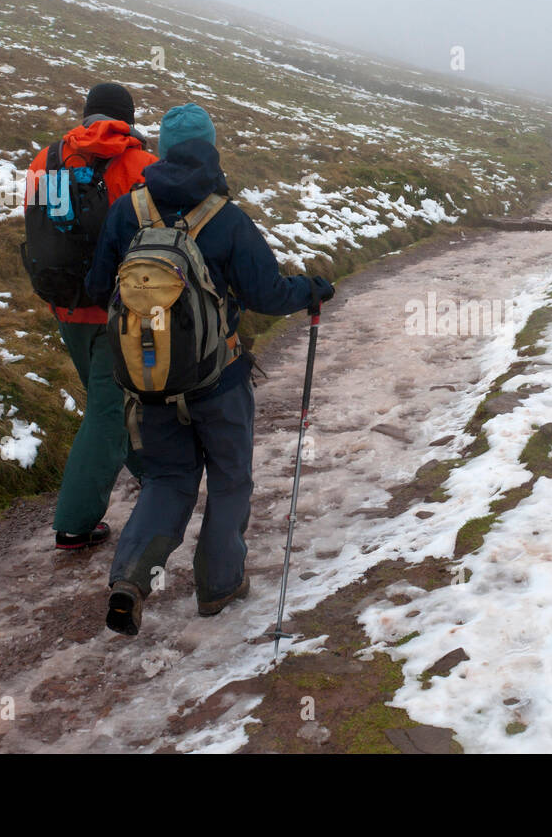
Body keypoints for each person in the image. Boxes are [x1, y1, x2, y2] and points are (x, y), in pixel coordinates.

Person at [85, 103, 335, 635]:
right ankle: (218, 587)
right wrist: (310, 288)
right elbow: (266, 293)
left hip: (148, 381)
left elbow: (95, 287)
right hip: (218, 380)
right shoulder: (227, 218)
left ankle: (131, 577)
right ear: (210, 147)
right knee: (228, 481)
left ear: (163, 148)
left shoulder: (128, 211)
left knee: (168, 479)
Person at [23, 83, 157, 550]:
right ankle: (74, 524)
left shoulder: (46, 159)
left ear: (86, 113)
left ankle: (152, 474)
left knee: (111, 402)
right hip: (117, 309)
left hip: (64, 304)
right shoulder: (141, 165)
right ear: (127, 118)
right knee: (107, 410)